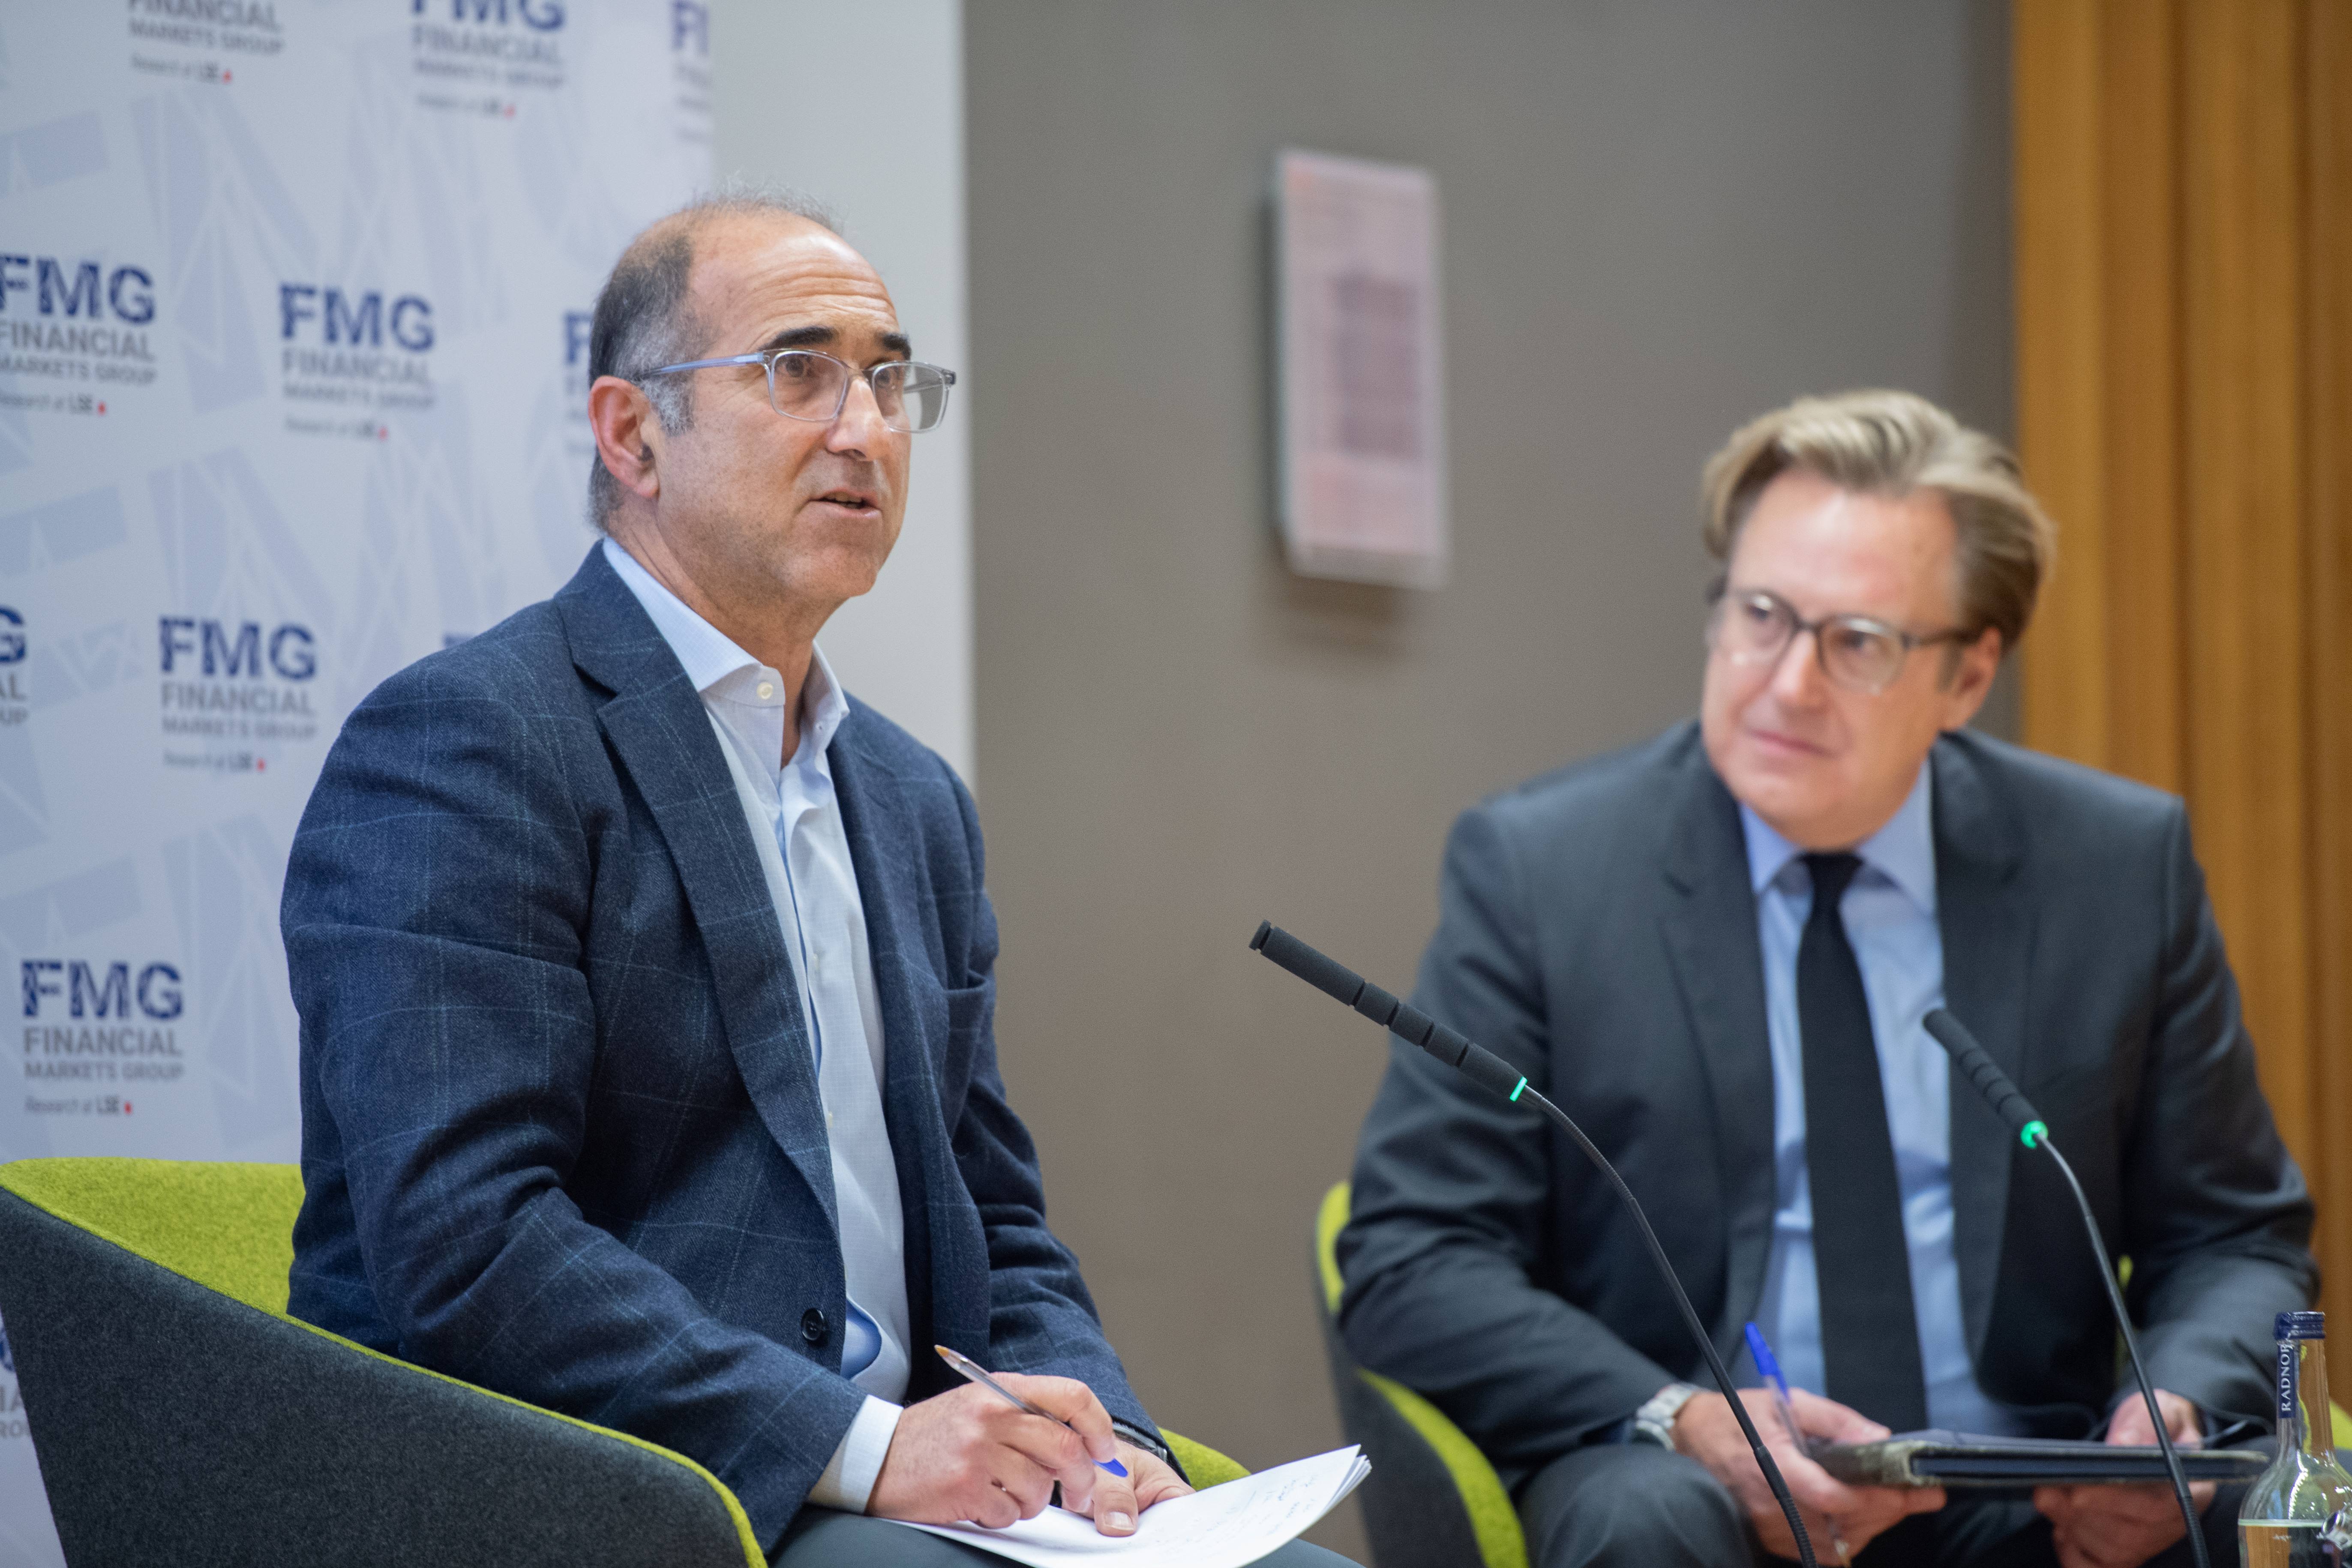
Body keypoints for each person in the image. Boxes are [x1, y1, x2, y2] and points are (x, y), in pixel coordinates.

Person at [282, 191, 1350, 1567]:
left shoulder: (909, 800)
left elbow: (996, 1219)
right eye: (799, 371)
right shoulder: (474, 740)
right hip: (616, 1489)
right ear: (632, 432)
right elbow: (469, 1243)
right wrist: (864, 1449)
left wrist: (1109, 1449)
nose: (865, 427)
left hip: (905, 1480)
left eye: (892, 379)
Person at [1338, 390, 2314, 1568]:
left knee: (2272, 1513)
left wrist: (2179, 1408)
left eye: (1858, 642)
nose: (1788, 681)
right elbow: (1414, 1257)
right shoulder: (1544, 873)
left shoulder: (2111, 870)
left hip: (2027, 1490)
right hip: (1697, 1483)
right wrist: (1686, 1417)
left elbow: (2236, 1235)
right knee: (1639, 1522)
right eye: (1761, 615)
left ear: (1968, 675)